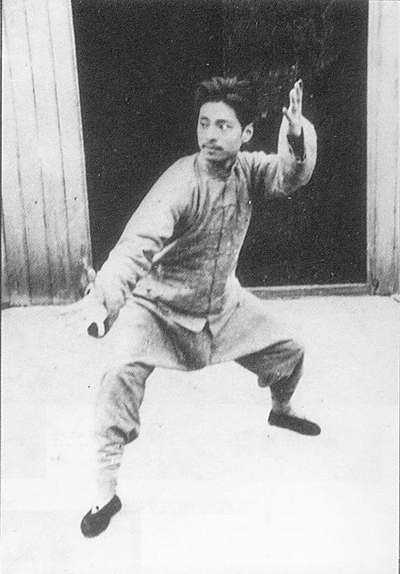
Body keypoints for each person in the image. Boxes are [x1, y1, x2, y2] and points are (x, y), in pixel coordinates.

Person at [80, 76, 320, 538]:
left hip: (222, 306)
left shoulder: (249, 170)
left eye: (223, 126)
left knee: (291, 349)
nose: (210, 135)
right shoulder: (179, 181)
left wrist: (295, 134)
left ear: (246, 133)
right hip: (158, 308)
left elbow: (289, 176)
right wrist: (103, 302)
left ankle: (282, 409)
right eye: (204, 123)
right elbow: (136, 245)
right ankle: (104, 493)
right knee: (118, 377)